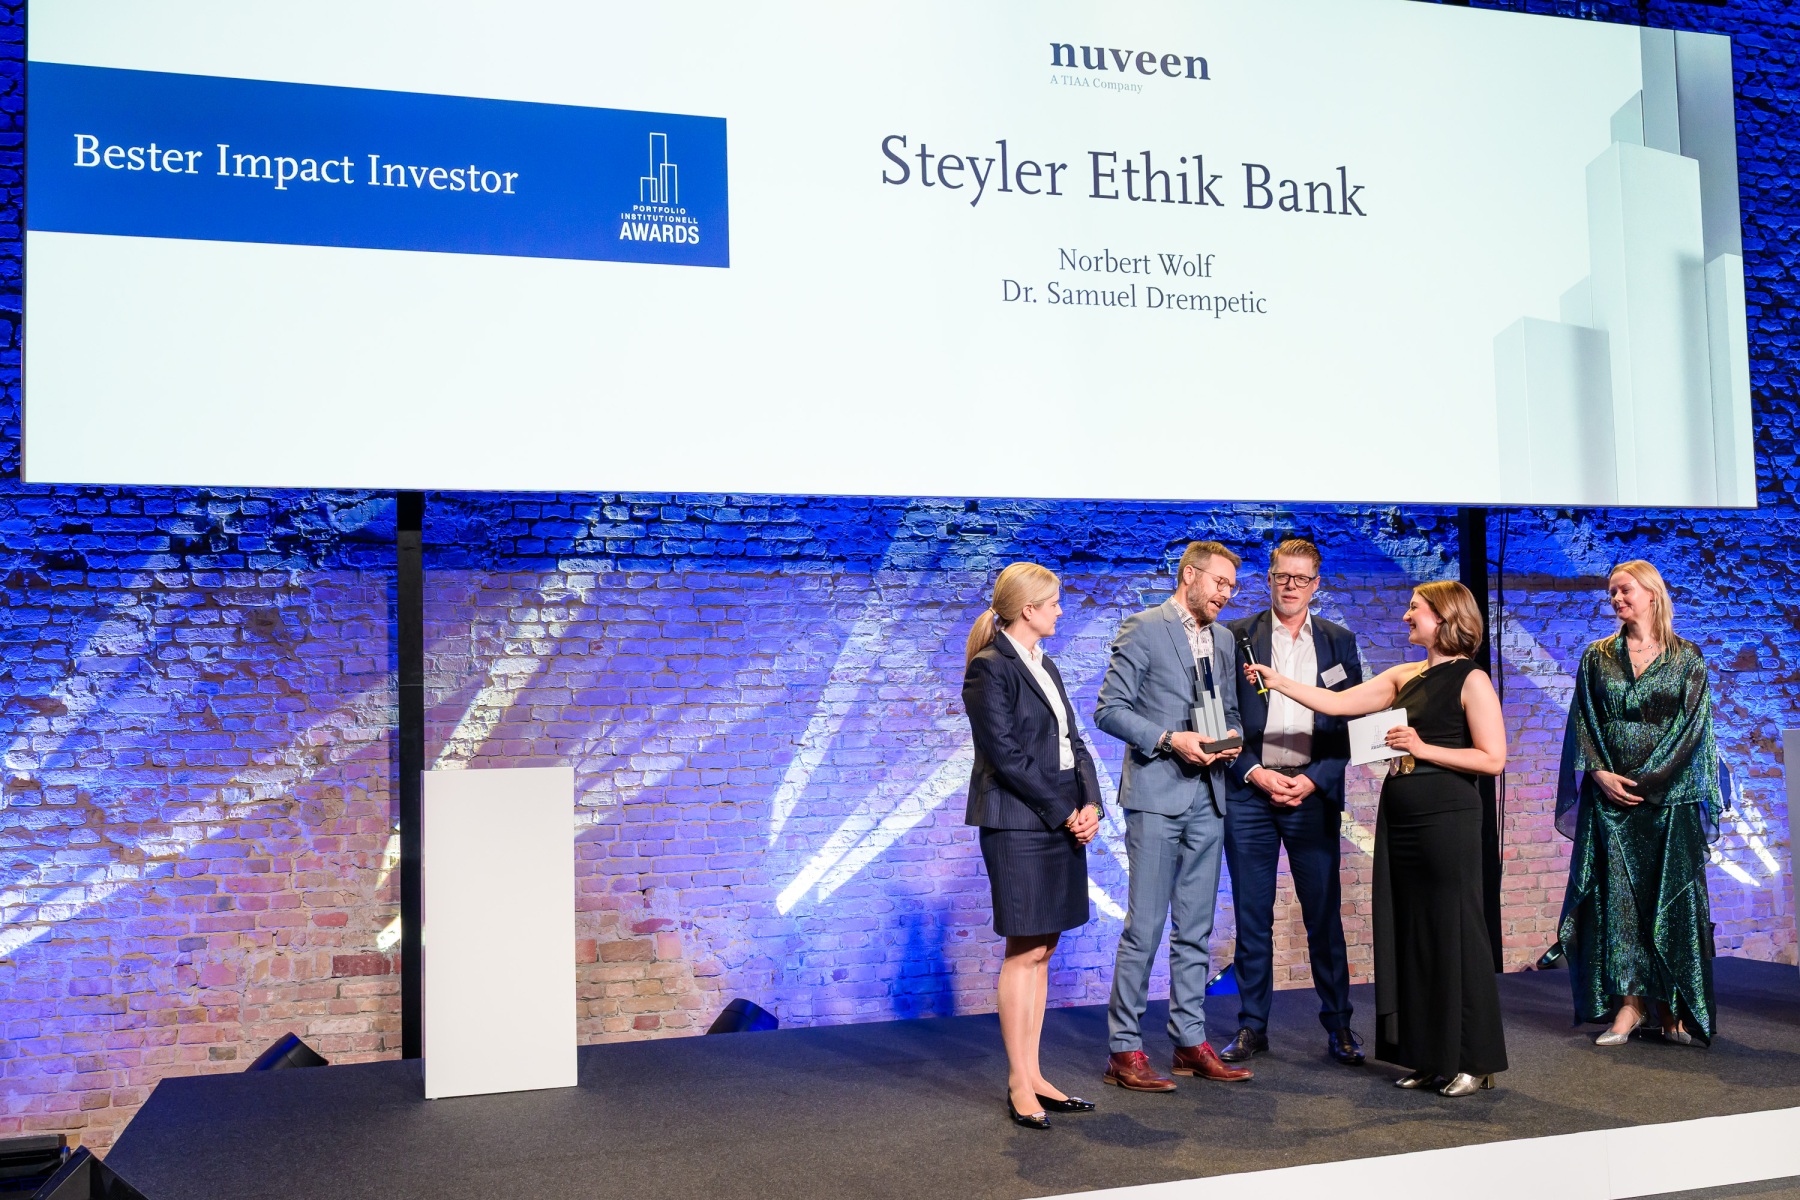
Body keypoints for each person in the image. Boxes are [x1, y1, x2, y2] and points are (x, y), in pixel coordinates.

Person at [1246, 580, 1508, 1097]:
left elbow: (1492, 758)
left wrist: (1422, 747)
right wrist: (1278, 682)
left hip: (1447, 818)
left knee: (1454, 930)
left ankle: (1474, 1059)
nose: (1407, 616)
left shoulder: (1472, 679)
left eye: (1416, 609)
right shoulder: (1403, 675)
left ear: (1444, 617)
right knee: (1409, 930)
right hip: (1402, 818)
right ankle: (1428, 1055)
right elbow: (1337, 703)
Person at [1094, 541, 1253, 1091]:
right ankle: (1124, 1050)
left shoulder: (1224, 639)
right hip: (1157, 798)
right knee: (1144, 928)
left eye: (1232, 586)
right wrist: (1168, 739)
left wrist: (1231, 738)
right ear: (1190, 575)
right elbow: (1109, 710)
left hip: (1210, 796)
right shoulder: (1144, 628)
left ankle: (1189, 1040)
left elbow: (1229, 711)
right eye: (1219, 583)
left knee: (1197, 929)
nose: (1226, 594)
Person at [1554, 561, 1721, 1048]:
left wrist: (1648, 782)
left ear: (1651, 593)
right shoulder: (1597, 656)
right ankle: (1629, 1006)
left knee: (1671, 899)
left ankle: (1671, 1007)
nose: (1616, 599)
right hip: (1610, 800)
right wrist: (1599, 774)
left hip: (1668, 801)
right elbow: (1583, 721)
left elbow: (1692, 731)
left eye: (1624, 590)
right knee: (1618, 902)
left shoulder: (1687, 657)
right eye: (1612, 593)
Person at [963, 562, 1105, 1130]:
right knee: (1023, 951)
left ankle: (1035, 1072)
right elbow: (1006, 757)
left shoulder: (1047, 665)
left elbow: (1075, 742)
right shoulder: (989, 668)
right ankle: (1019, 1082)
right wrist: (1065, 811)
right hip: (1020, 825)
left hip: (1061, 818)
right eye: (1053, 603)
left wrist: (1092, 803)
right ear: (1028, 609)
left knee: (1044, 949)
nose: (1060, 611)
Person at [1220, 537, 1365, 1067]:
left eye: (1302, 578)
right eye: (1283, 576)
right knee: (1252, 915)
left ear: (1316, 584)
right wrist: (1253, 771)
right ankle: (1252, 1026)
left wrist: (1315, 779)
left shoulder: (1338, 641)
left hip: (1312, 794)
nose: (1291, 586)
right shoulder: (1235, 637)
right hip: (1250, 793)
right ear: (1269, 578)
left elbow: (1353, 721)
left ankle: (1340, 1025)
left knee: (1323, 916)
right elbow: (1218, 716)